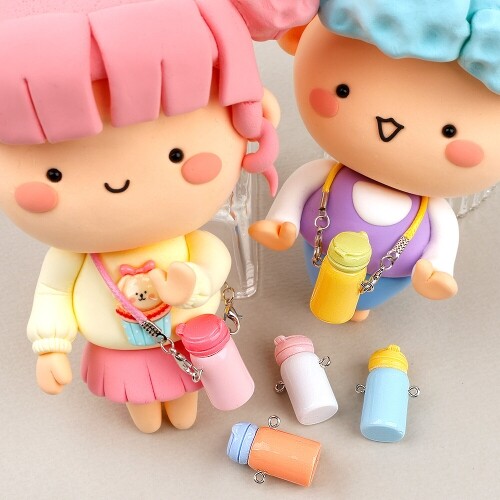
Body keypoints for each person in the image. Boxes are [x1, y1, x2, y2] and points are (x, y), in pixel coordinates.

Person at [0, 0, 319, 432]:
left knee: (186, 412)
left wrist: (194, 283)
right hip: (120, 355)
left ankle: (181, 409)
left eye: (176, 154)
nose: (118, 183)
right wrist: (51, 346)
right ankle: (149, 415)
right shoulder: (72, 255)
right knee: (146, 417)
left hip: (188, 344)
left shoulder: (189, 240)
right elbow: (53, 292)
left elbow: (213, 260)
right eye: (54, 172)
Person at [250, 1, 500, 322]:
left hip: (387, 276)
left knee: (356, 305)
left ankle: (360, 306)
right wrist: (281, 220)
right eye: (343, 90)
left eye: (448, 131)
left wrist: (437, 268)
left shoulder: (434, 210)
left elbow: (444, 237)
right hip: (320, 252)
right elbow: (300, 184)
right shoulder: (324, 175)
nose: (389, 125)